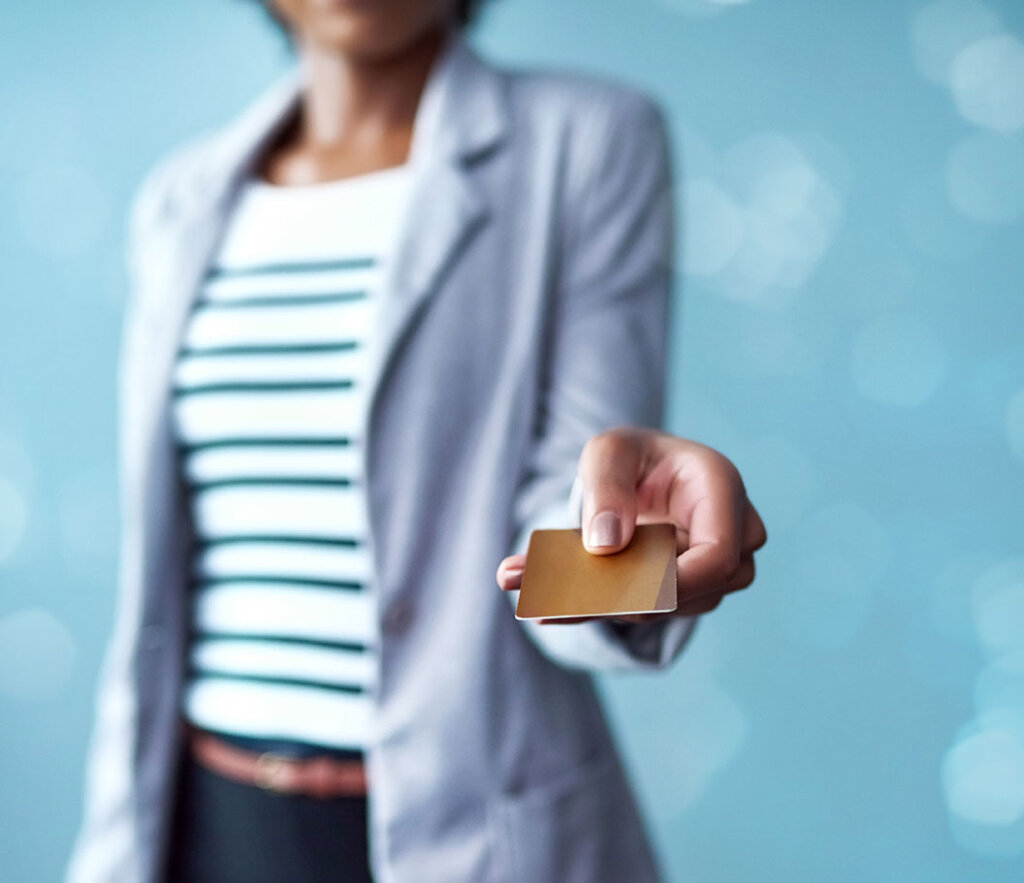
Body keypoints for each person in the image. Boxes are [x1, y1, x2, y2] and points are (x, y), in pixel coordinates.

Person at [67, 1, 766, 881]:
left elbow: (560, 534)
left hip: (468, 834)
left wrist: (642, 547)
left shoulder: (587, 140)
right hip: (202, 822)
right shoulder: (181, 200)